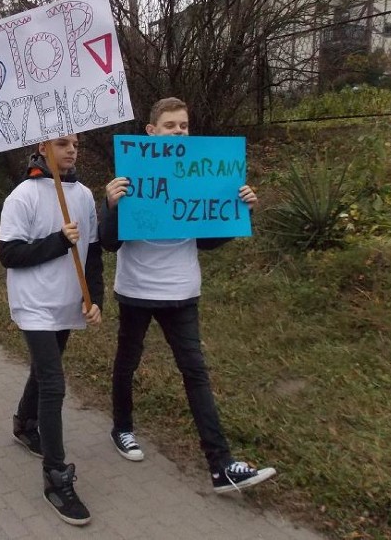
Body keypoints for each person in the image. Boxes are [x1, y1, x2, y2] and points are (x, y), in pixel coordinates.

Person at [99, 97, 277, 494]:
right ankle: (122, 429)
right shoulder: (129, 177)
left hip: (182, 292)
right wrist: (110, 206)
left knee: (195, 373)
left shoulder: (202, 176)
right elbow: (108, 244)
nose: (178, 132)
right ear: (151, 132)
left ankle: (221, 466)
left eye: (184, 126)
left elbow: (209, 242)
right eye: (170, 126)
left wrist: (239, 210)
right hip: (136, 292)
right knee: (127, 363)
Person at [0, 134, 104, 526]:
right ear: (43, 148)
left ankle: (25, 424)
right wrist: (58, 241)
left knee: (46, 371)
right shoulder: (22, 196)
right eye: (62, 143)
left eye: (75, 143)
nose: (72, 149)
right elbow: (8, 254)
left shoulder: (83, 195)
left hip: (66, 303)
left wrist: (94, 301)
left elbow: (92, 254)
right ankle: (56, 477)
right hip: (34, 305)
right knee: (54, 382)